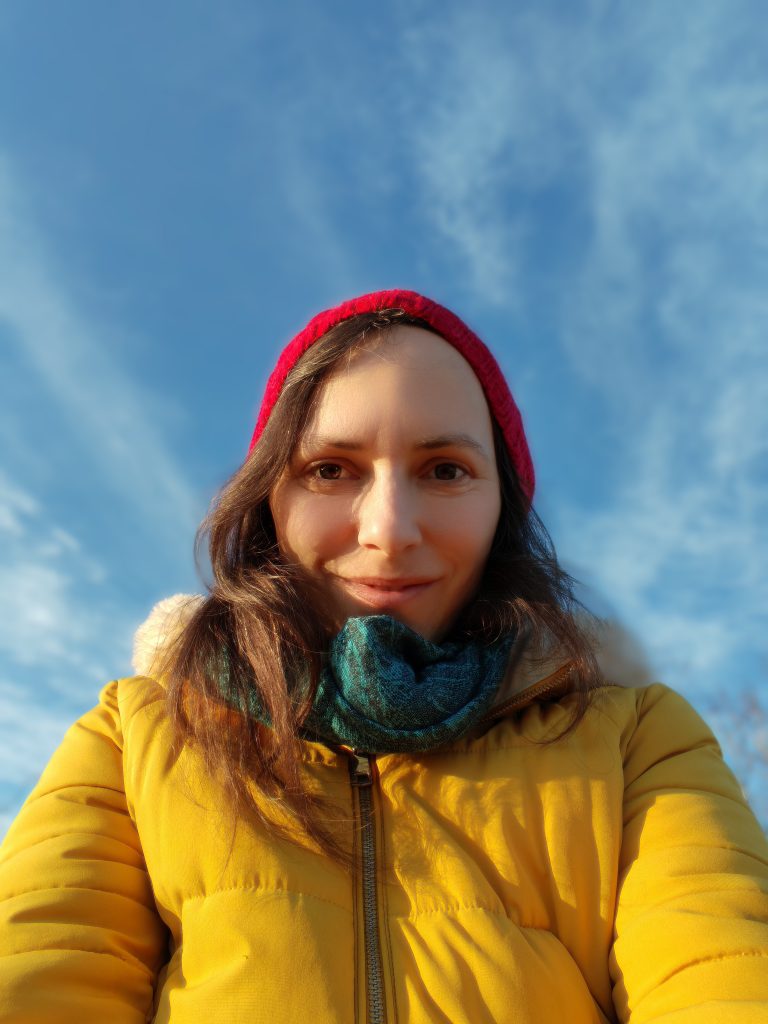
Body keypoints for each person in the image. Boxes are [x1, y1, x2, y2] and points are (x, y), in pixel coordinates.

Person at [0, 288, 766, 1023]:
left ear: (503, 509)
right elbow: (41, 973)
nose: (389, 530)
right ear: (270, 499)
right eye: (330, 469)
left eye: (446, 470)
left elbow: (721, 975)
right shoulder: (134, 735)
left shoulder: (636, 741)